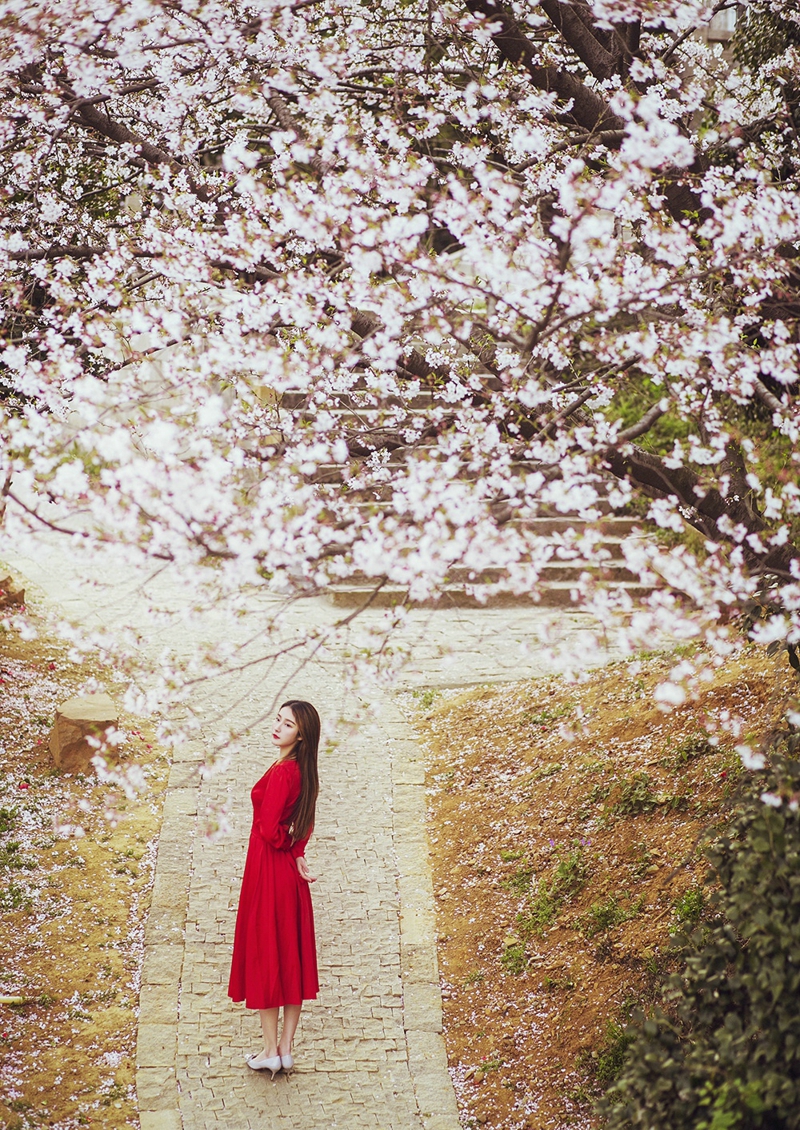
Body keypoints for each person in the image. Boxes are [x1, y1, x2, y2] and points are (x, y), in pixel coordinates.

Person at [227, 699, 320, 1077]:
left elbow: (268, 828)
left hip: (268, 869)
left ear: (301, 735)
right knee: (290, 957)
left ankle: (269, 1050)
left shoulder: (284, 772)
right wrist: (297, 851)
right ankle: (285, 1050)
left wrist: (285, 846)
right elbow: (306, 819)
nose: (278, 727)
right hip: (287, 873)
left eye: (287, 724)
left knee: (267, 954)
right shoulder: (303, 771)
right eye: (278, 720)